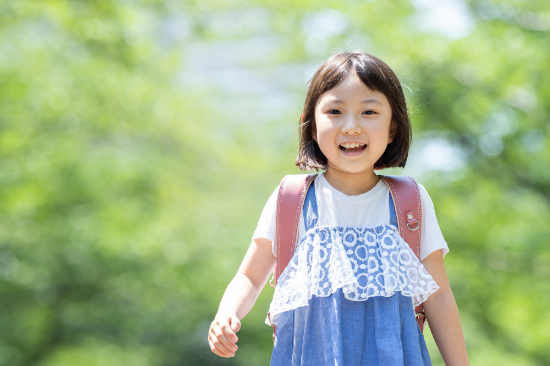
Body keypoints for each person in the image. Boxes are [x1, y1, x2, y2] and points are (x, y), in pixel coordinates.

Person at [208, 52, 470, 365]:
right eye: (334, 111)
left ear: (392, 129)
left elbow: (438, 296)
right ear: (314, 128)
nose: (351, 126)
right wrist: (227, 314)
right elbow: (251, 277)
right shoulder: (292, 199)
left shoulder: (409, 201)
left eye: (369, 112)